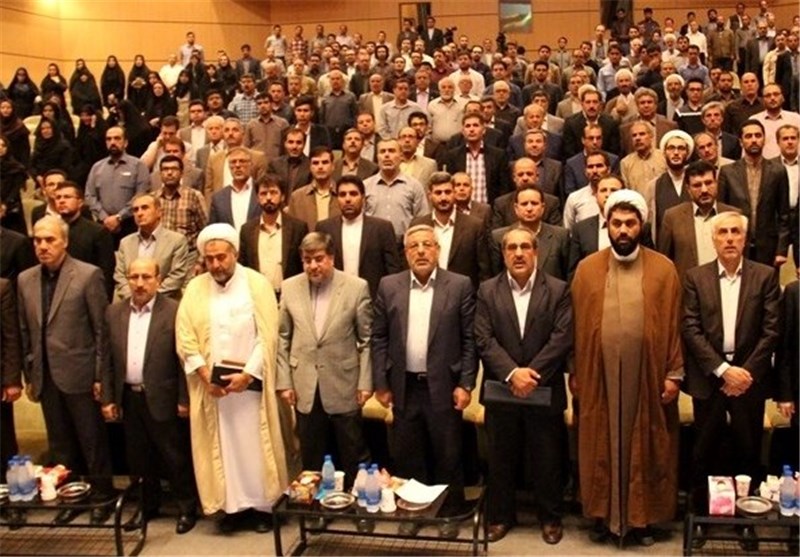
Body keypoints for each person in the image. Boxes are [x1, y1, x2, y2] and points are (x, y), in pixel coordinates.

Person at [571, 190, 683, 546]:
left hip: (648, 376)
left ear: (641, 226)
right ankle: (604, 515)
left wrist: (674, 373)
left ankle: (641, 519)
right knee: (599, 441)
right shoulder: (587, 269)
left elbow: (675, 324)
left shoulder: (663, 269)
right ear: (606, 225)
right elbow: (575, 326)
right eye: (616, 223)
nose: (623, 230)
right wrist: (576, 372)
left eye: (630, 223)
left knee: (647, 444)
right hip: (599, 376)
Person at [176, 223, 289, 534]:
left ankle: (263, 507)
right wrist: (204, 375)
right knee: (223, 449)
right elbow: (185, 337)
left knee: (255, 446)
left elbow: (268, 336)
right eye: (209, 258)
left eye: (221, 257)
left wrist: (248, 374)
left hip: (251, 386)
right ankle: (232, 508)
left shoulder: (257, 284)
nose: (216, 264)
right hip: (214, 390)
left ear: (235, 254)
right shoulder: (195, 288)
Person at [681, 211, 781, 551]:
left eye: (735, 232)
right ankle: (702, 517)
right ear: (713, 239)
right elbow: (690, 328)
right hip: (710, 377)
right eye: (722, 232)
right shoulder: (695, 277)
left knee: (747, 451)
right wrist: (723, 371)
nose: (729, 238)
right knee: (703, 451)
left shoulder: (765, 276)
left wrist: (743, 373)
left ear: (745, 238)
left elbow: (771, 330)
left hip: (749, 379)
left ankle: (746, 522)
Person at [371, 224, 476, 539]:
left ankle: (449, 513)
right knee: (408, 453)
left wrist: (466, 383)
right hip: (404, 386)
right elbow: (378, 337)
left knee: (448, 454)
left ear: (437, 250)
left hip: (444, 385)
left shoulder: (459, 285)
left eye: (427, 245)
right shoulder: (389, 285)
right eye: (413, 246)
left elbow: (469, 340)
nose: (420, 251)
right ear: (405, 253)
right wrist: (381, 382)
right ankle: (413, 511)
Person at [476, 227, 573, 545]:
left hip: (543, 389)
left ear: (536, 252)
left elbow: (562, 338)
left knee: (547, 459)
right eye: (511, 248)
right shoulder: (487, 290)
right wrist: (511, 373)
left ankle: (550, 518)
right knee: (500, 458)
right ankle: (501, 516)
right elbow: (483, 338)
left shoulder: (558, 289)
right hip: (501, 388)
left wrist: (530, 374)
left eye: (525, 247)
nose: (518, 253)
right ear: (503, 254)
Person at [17, 216, 113, 525]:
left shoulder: (87, 275)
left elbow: (102, 331)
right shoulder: (25, 279)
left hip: (81, 373)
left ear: (65, 242)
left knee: (91, 441)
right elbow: (24, 330)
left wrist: (100, 376)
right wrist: (30, 370)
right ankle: (72, 496)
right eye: (37, 240)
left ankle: (102, 497)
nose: (42, 246)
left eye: (50, 240)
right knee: (60, 446)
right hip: (46, 376)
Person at [101, 257, 198, 534]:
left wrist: (184, 398)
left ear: (159, 280)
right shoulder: (114, 312)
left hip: (164, 396)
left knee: (174, 456)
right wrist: (108, 398)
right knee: (138, 459)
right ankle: (147, 506)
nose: (140, 283)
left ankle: (186, 508)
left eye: (146, 277)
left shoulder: (174, 311)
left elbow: (183, 359)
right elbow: (106, 358)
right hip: (130, 398)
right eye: (134, 277)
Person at [277, 232, 372, 490]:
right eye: (307, 260)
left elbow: (366, 340)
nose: (313, 266)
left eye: (319, 259)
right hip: (304, 383)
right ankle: (315, 504)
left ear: (331, 258)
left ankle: (358, 500)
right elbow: (283, 337)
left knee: (353, 450)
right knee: (312, 455)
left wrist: (365, 383)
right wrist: (284, 382)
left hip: (344, 381)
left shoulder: (356, 287)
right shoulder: (290, 287)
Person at [718, 119, 790, 266]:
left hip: (768, 246)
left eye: (758, 135)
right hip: (736, 243)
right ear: (741, 142)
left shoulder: (778, 171)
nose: (754, 140)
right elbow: (721, 212)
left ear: (764, 139)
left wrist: (781, 250)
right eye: (748, 136)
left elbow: (784, 214)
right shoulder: (728, 172)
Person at [316, 175, 401, 299]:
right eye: (342, 195)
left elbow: (393, 270)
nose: (348, 199)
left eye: (353, 194)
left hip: (372, 299)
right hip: (334, 299)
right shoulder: (324, 228)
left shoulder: (382, 228)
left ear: (363, 198)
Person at [658, 161, 741, 281]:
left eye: (708, 183)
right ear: (688, 189)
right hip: (688, 288)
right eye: (697, 185)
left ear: (716, 183)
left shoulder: (733, 215)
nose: (704, 190)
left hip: (727, 286)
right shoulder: (672, 217)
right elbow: (664, 262)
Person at [409, 172, 489, 288]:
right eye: (438, 193)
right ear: (429, 195)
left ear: (454, 193)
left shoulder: (474, 226)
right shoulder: (418, 225)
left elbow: (484, 270)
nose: (443, 198)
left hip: (464, 295)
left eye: (447, 192)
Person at [238, 174, 308, 296]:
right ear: (257, 197)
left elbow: (303, 265)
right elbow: (243, 268)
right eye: (263, 193)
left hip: (290, 295)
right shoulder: (247, 230)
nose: (269, 198)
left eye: (273, 192)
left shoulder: (298, 228)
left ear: (283, 196)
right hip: (257, 296)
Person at [113, 193, 190, 300]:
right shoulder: (125, 243)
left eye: (145, 208)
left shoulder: (177, 241)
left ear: (159, 212)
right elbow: (120, 276)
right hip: (131, 303)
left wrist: (150, 298)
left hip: (164, 303)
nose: (139, 213)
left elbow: (177, 277)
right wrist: (134, 298)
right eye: (136, 210)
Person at [84, 126, 150, 245]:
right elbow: (90, 196)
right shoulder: (97, 167)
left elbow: (141, 195)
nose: (112, 142)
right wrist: (104, 218)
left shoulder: (138, 166)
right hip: (103, 225)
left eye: (117, 138)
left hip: (130, 224)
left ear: (125, 143)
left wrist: (119, 217)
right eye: (109, 139)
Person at [208, 146, 261, 231]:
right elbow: (213, 230)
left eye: (242, 161)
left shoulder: (262, 192)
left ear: (251, 165)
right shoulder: (218, 198)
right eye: (233, 162)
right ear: (229, 167)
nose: (237, 165)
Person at [287, 147, 340, 231]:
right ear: (310, 167)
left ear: (333, 166)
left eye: (325, 162)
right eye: (315, 163)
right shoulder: (297, 197)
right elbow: (291, 229)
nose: (320, 167)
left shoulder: (343, 195)